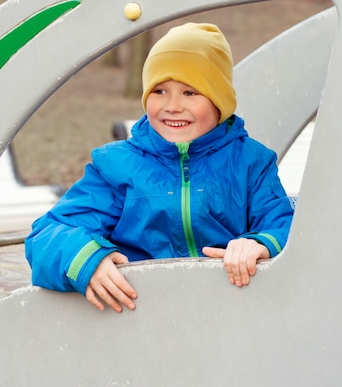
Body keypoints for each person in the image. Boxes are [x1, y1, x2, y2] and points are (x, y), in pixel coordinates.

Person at [25, 22, 295, 312]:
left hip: (227, 311)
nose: (173, 106)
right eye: (160, 91)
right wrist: (88, 258)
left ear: (220, 101)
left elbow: (287, 224)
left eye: (190, 93)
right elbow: (48, 234)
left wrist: (259, 244)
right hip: (139, 313)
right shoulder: (117, 166)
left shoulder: (250, 163)